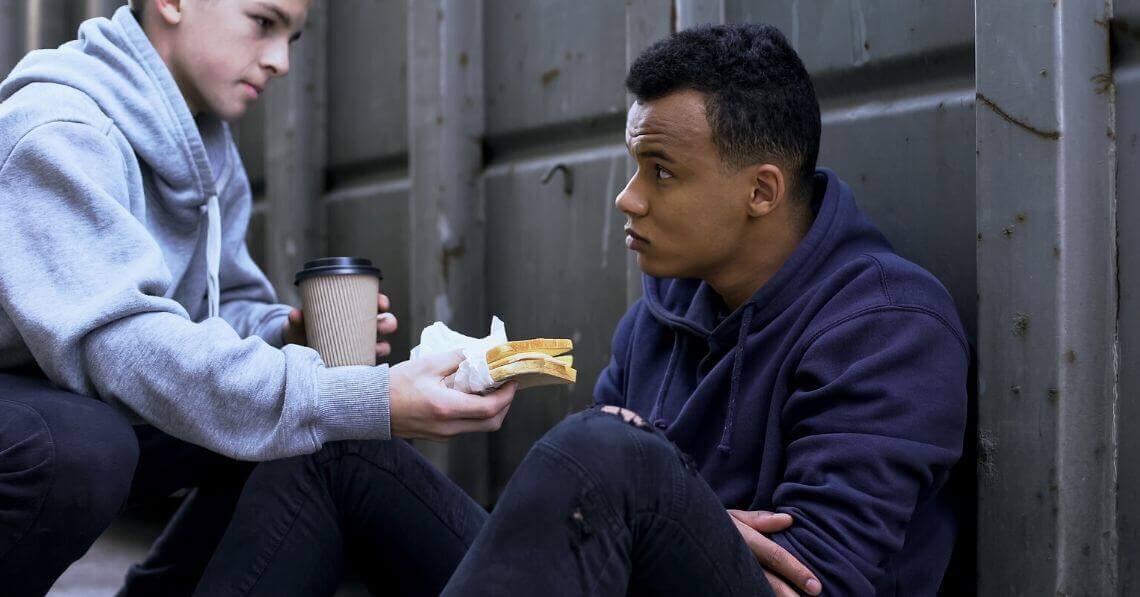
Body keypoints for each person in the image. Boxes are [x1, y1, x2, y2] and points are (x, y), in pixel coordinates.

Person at [194, 23, 968, 597]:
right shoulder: (662, 313)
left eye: (660, 171)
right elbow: (604, 524)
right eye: (634, 165)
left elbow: (809, 581)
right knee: (333, 444)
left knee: (608, 453)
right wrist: (657, 506)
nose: (627, 198)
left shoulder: (889, 328)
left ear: (760, 190)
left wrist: (654, 498)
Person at [0, 1, 515, 595]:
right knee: (80, 448)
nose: (281, 61)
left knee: (296, 426)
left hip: (83, 389)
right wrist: (360, 399)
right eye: (263, 24)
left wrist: (283, 338)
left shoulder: (204, 146)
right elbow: (124, 345)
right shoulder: (57, 129)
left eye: (293, 37)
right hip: (38, 418)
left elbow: (214, 312)